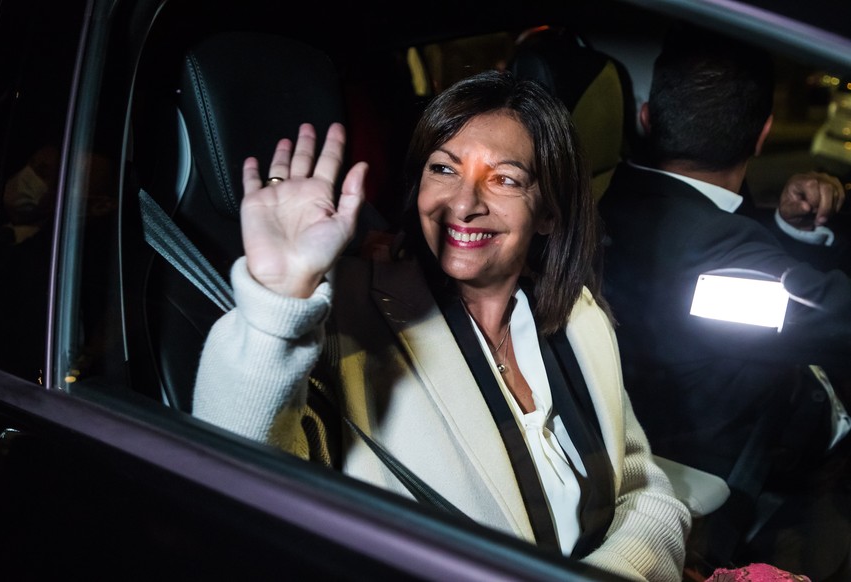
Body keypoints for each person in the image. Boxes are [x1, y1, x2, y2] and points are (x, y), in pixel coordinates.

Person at [193, 70, 690, 581]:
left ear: (549, 213)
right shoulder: (350, 315)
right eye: (444, 169)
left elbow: (644, 490)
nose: (465, 203)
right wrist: (275, 304)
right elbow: (235, 475)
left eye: (504, 179)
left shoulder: (579, 319)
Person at [597, 25, 851, 578]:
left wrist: (787, 225)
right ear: (763, 134)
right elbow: (832, 320)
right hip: (776, 460)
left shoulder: (617, 196)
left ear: (647, 120)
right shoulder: (709, 266)